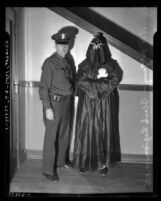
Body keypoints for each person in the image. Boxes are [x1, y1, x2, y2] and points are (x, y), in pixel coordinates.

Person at [72, 32, 123, 176]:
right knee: (86, 130)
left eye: (100, 46)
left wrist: (95, 87)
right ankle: (84, 161)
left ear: (105, 47)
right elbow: (79, 81)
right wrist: (99, 86)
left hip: (105, 104)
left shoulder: (112, 65)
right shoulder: (84, 65)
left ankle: (103, 164)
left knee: (104, 130)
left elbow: (114, 80)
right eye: (94, 46)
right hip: (87, 104)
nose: (97, 49)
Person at [39, 27, 78, 182]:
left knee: (64, 134)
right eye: (60, 44)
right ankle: (48, 171)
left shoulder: (68, 61)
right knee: (51, 138)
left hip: (66, 103)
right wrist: (48, 107)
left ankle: (61, 162)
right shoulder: (49, 63)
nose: (64, 47)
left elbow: (70, 82)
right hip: (54, 104)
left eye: (66, 44)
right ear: (55, 45)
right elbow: (43, 87)